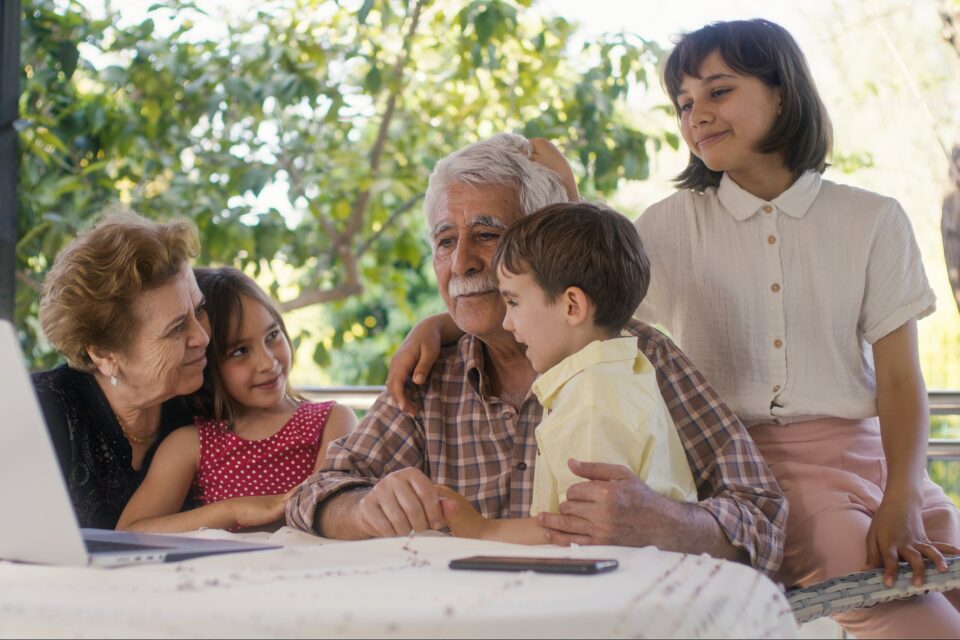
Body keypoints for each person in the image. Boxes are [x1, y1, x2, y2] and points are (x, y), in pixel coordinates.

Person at [287, 133, 787, 578]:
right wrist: (365, 507)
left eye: (487, 235)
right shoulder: (432, 370)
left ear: (543, 242)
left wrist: (666, 522)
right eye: (445, 241)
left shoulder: (633, 357)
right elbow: (313, 493)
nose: (461, 262)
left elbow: (763, 518)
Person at [437, 202, 697, 544]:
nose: (507, 322)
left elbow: (581, 530)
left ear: (572, 306)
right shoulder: (622, 374)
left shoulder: (591, 401)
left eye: (514, 302)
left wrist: (483, 529)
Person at [117, 267, 356, 533]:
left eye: (272, 336)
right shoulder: (190, 445)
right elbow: (130, 532)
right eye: (240, 351)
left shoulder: (332, 422)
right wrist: (233, 510)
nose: (267, 362)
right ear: (207, 364)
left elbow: (327, 513)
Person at [33, 211, 210, 529]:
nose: (203, 337)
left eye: (199, 310)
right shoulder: (40, 412)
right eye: (176, 328)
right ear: (104, 354)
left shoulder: (204, 395)